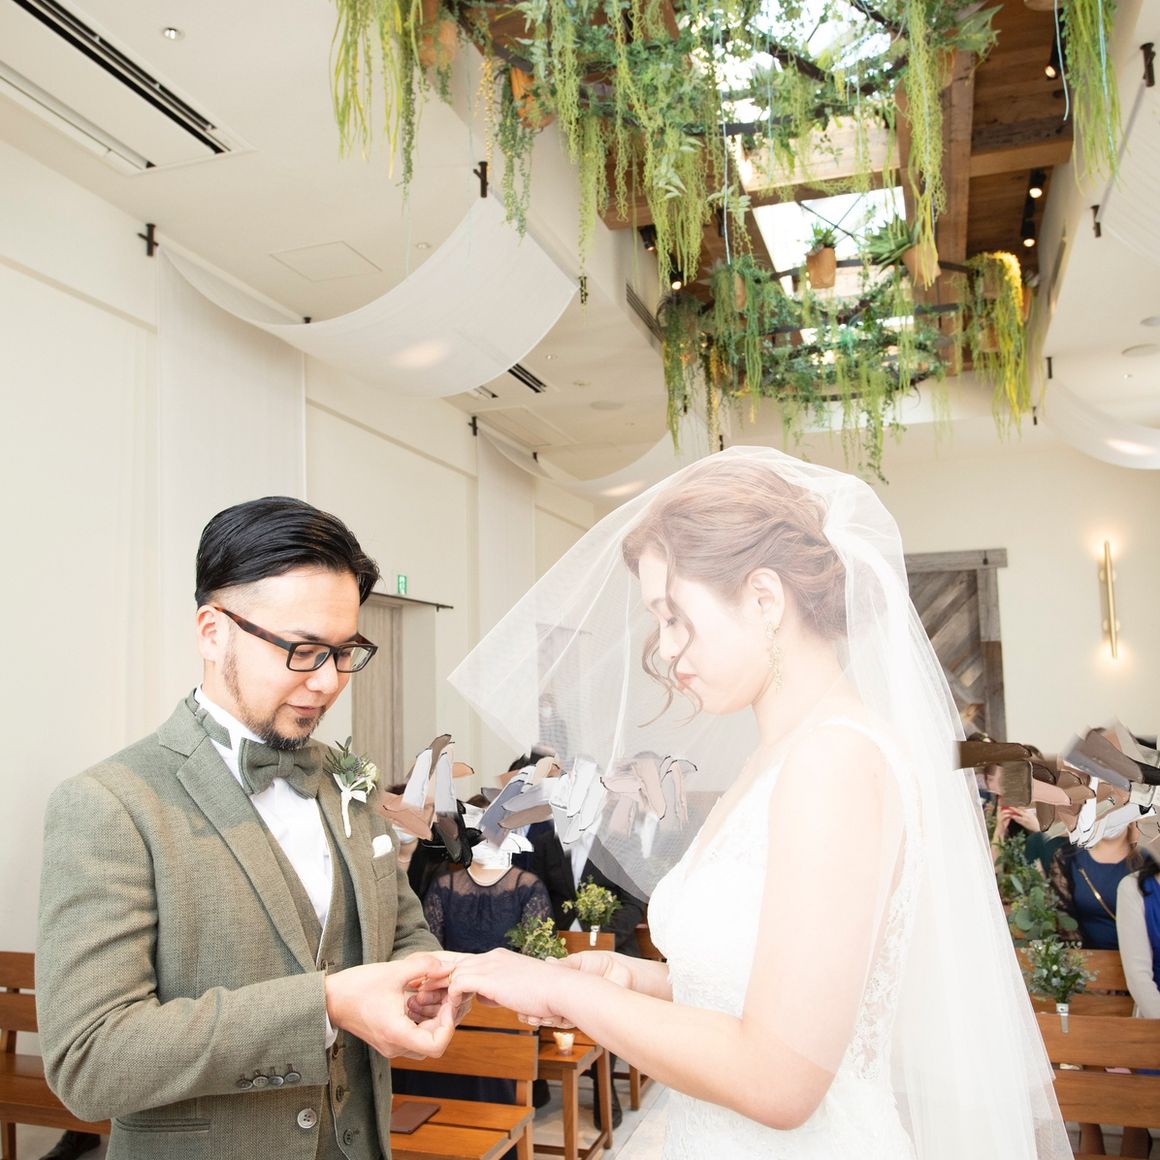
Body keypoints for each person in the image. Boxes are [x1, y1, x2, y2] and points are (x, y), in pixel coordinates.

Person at [437, 448, 1071, 1159]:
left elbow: (781, 1079)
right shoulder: (781, 757)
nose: (665, 650)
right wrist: (634, 978)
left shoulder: (833, 762)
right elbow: (766, 989)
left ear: (765, 599)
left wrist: (570, 995)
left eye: (674, 616)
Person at [36, 497, 458, 1160]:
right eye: (303, 650)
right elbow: (89, 1062)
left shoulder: (350, 779)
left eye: (344, 652)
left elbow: (402, 929)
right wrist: (325, 1005)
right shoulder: (109, 805)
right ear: (212, 631)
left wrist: (420, 982)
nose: (328, 683)